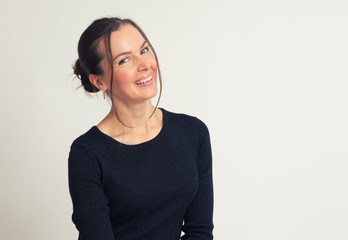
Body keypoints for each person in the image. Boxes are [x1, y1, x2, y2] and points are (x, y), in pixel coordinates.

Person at [68, 17, 214, 240]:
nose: (145, 65)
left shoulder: (193, 133)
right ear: (99, 82)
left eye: (144, 50)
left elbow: (199, 231)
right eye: (125, 60)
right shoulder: (87, 153)